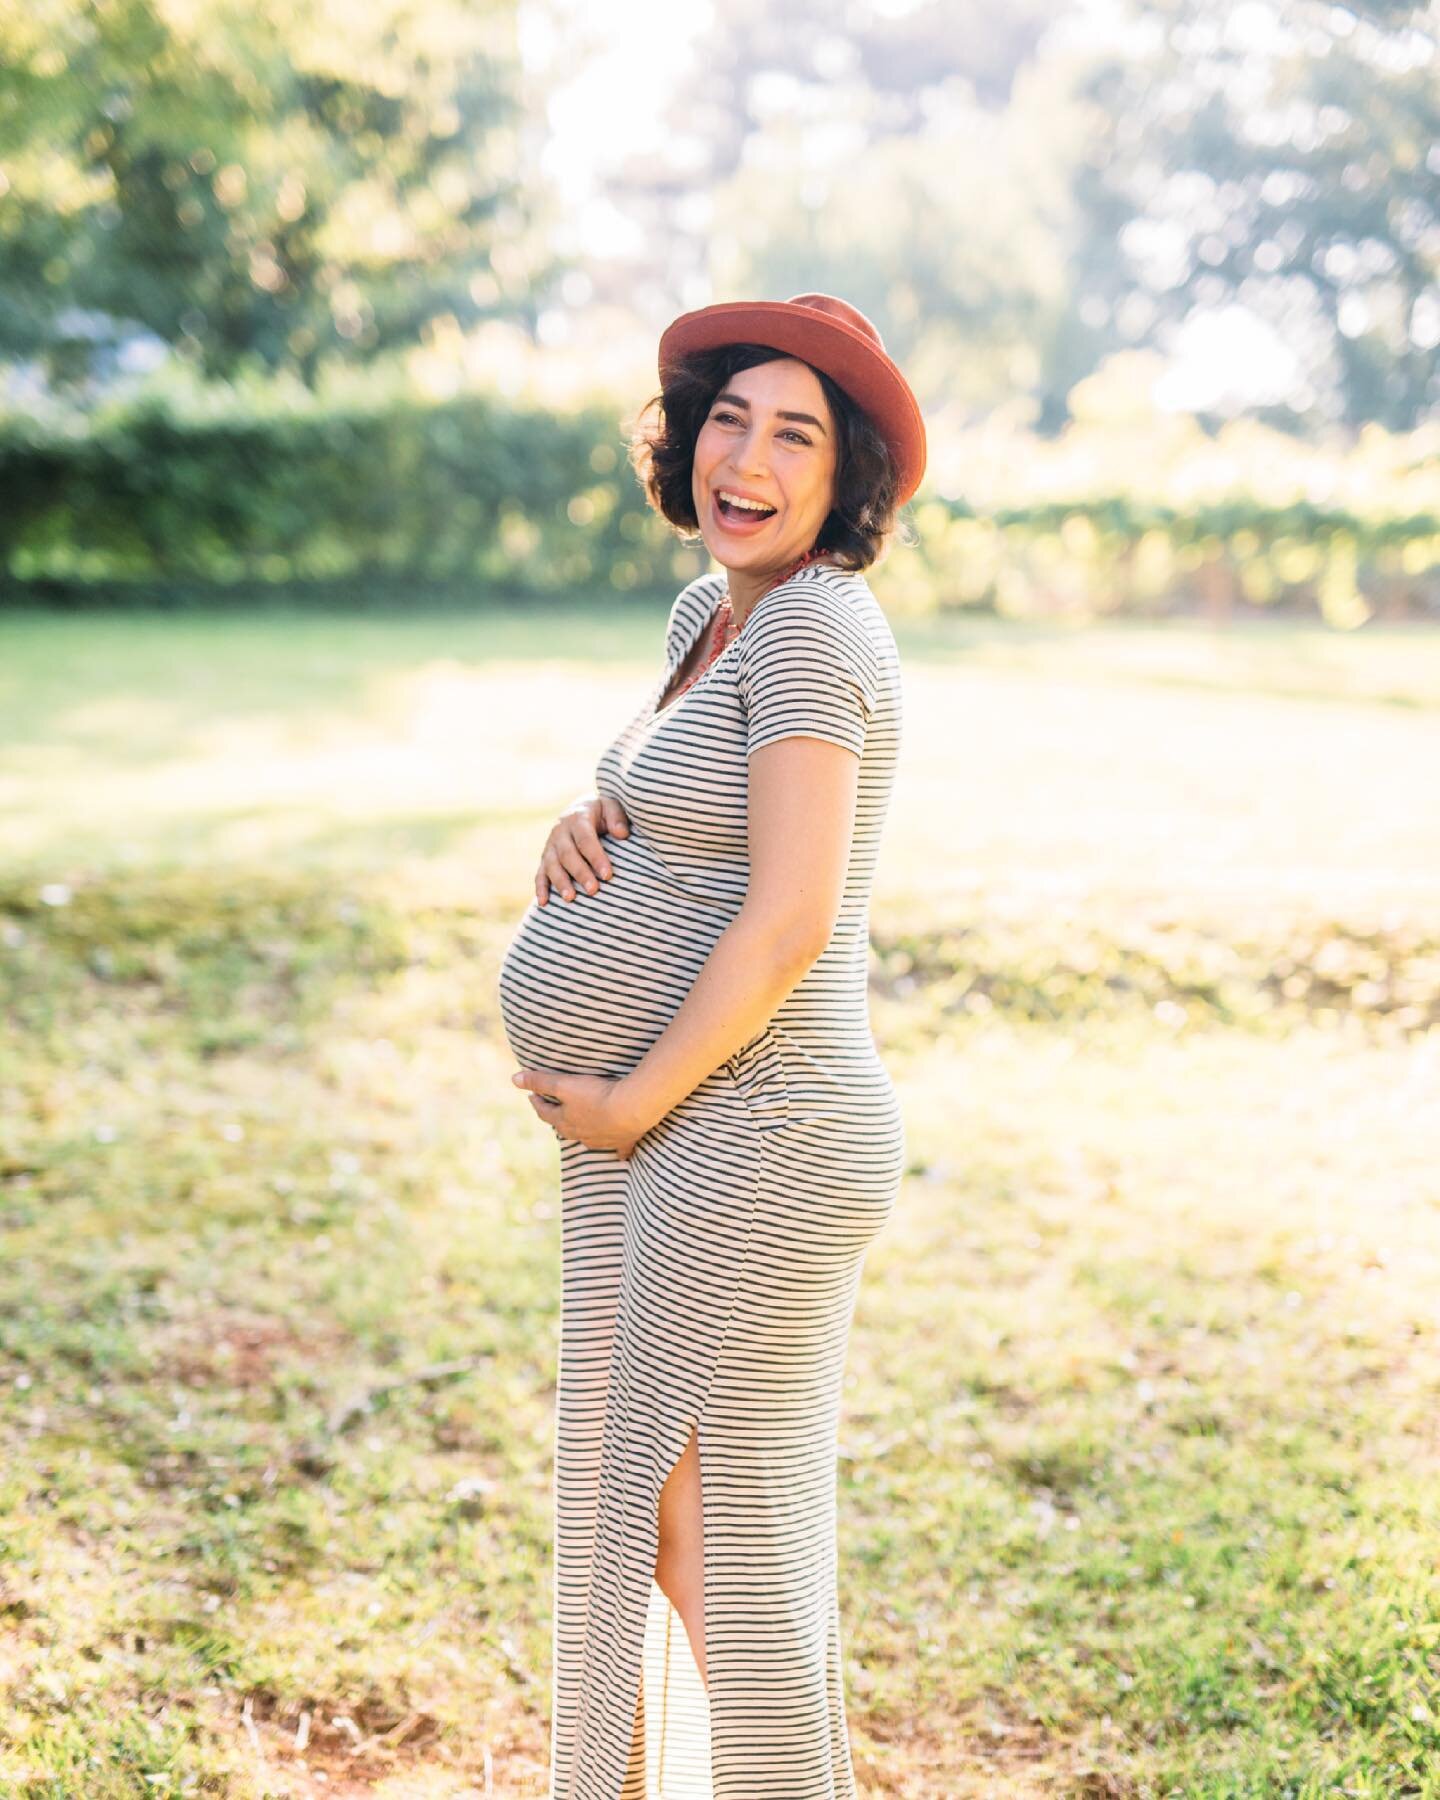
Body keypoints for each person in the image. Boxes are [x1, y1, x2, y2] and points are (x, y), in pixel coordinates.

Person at [497, 291, 926, 1799]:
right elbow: (701, 831)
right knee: (689, 1518)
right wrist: (586, 812)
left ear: (843, 476)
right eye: (728, 419)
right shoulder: (714, 617)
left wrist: (625, 1101)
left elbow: (793, 917)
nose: (747, 456)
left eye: (794, 433)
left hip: (763, 1131)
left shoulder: (812, 625)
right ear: (686, 446)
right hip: (696, 1130)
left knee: (702, 1534)